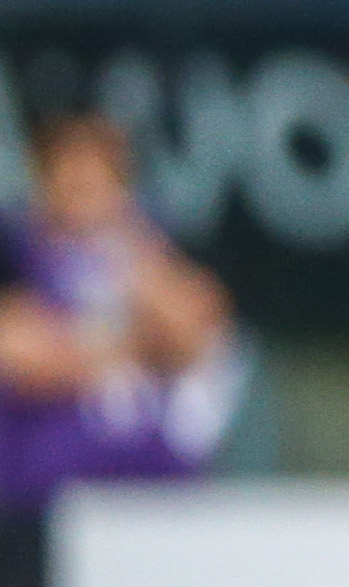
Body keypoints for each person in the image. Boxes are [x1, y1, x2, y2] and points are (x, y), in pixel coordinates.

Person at [0, 112, 239, 509]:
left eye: (98, 179)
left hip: (148, 476)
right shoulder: (18, 254)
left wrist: (131, 257)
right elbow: (25, 358)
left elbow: (193, 333)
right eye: (70, 177)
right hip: (43, 485)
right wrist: (134, 345)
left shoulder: (145, 250)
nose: (84, 190)